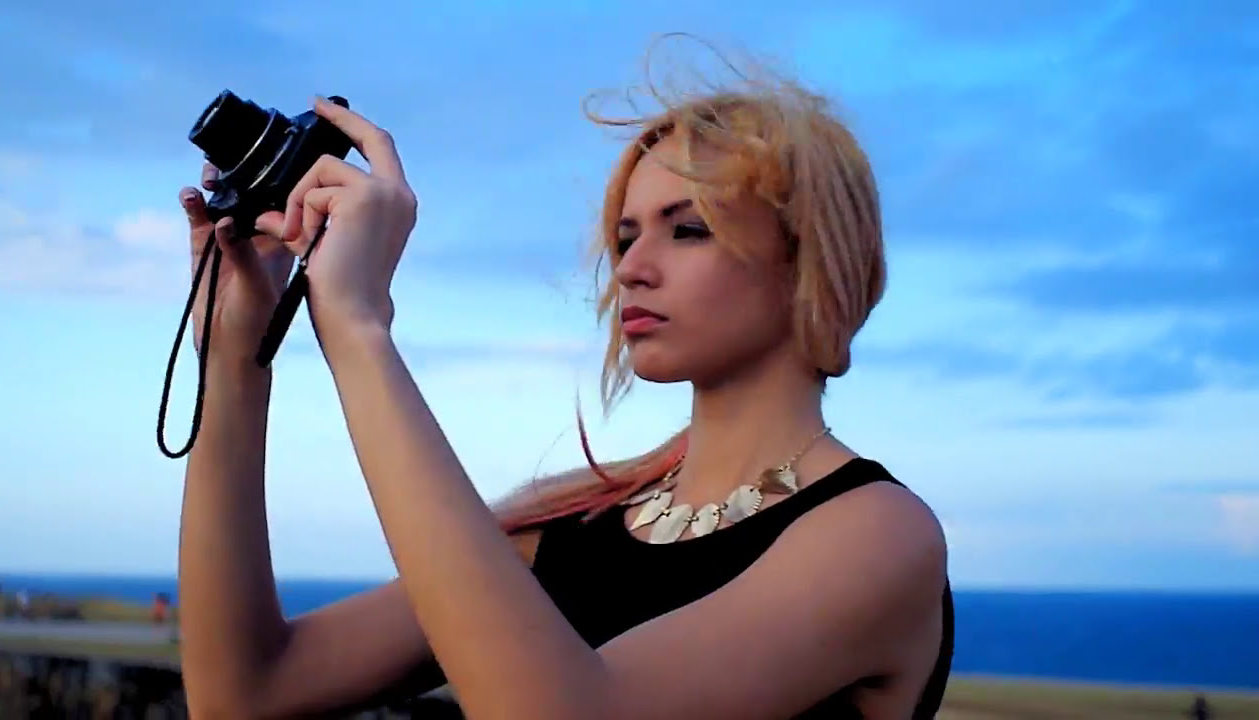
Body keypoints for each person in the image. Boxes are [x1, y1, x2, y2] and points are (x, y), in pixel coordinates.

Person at [175, 45, 954, 720]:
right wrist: (231, 354)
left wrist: (357, 325)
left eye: (688, 229)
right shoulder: (569, 527)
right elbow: (243, 693)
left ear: (809, 262)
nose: (633, 268)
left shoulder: (878, 537)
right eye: (625, 236)